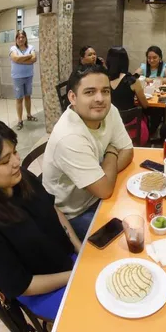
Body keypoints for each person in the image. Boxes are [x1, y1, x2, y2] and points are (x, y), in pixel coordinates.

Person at [0, 119, 81, 321]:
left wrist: (80, 248)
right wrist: (75, 276)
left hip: (65, 260)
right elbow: (22, 285)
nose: (16, 162)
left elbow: (52, 209)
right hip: (40, 289)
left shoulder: (21, 178)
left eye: (15, 152)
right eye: (5, 161)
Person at [42, 64, 134, 240]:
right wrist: (112, 152)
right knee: (125, 241)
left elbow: (128, 151)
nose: (100, 98)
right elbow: (104, 189)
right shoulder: (69, 136)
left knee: (143, 214)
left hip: (99, 196)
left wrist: (105, 176)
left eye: (105, 91)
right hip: (75, 213)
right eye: (90, 92)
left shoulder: (109, 110)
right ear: (72, 97)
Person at [106, 46, 149, 145]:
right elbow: (145, 105)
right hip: (131, 129)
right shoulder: (132, 81)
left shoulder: (103, 79)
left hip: (109, 128)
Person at [9, 30, 37, 130]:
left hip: (28, 76)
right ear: (16, 39)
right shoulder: (13, 48)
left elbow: (34, 59)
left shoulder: (31, 47)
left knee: (28, 97)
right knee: (19, 99)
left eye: (22, 37)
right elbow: (15, 59)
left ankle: (29, 115)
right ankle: (20, 120)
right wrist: (28, 57)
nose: (21, 39)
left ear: (25, 38)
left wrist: (20, 60)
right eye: (18, 37)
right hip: (17, 77)